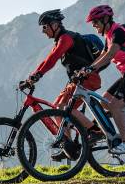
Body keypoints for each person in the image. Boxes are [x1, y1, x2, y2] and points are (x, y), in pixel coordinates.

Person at [19, 9, 101, 158]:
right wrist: (32, 77)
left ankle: (94, 131)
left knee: (62, 108)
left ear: (55, 25)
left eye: (44, 27)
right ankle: (68, 147)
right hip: (77, 81)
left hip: (87, 78)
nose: (43, 31)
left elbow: (53, 59)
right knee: (57, 108)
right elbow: (47, 59)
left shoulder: (67, 38)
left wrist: (37, 75)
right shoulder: (60, 40)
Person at [77, 4, 125, 156]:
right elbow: (101, 57)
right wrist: (85, 70)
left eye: (96, 22)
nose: (94, 26)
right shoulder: (108, 37)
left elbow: (110, 55)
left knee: (116, 106)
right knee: (105, 101)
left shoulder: (118, 32)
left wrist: (91, 69)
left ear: (106, 19)